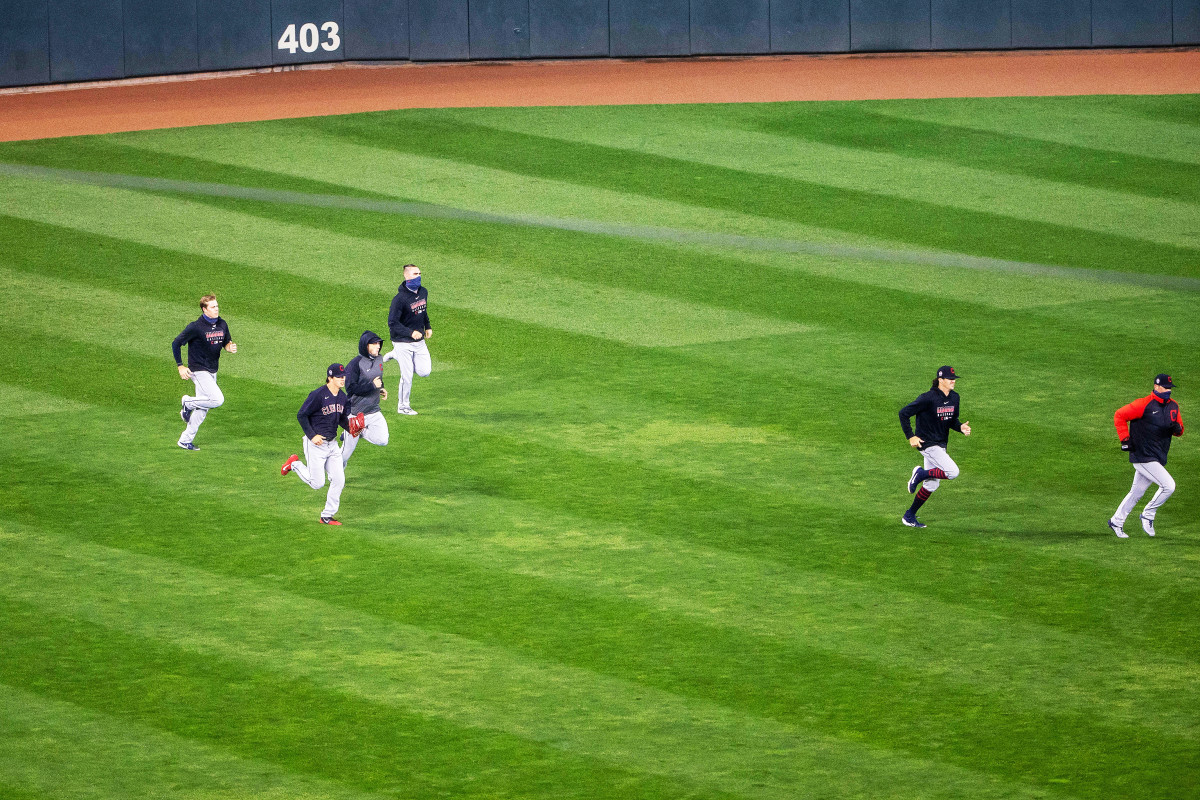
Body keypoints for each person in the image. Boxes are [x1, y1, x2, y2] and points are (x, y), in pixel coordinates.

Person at [281, 364, 363, 526]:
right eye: (339, 377)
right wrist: (312, 436)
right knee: (317, 484)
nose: (342, 379)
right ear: (330, 378)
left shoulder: (343, 397)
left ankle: (327, 516)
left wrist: (352, 429)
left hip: (332, 445)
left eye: (343, 376)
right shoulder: (318, 395)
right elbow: (302, 415)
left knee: (339, 480)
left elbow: (341, 418)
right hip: (315, 445)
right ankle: (294, 464)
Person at [1108, 374, 1184, 538]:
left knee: (1136, 492)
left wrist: (1178, 430)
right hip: (1143, 455)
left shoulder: (1173, 406)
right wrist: (1125, 439)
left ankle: (1116, 521)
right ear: (1156, 387)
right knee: (1169, 486)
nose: (1168, 391)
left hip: (1158, 455)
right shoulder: (1143, 404)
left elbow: (1179, 428)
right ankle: (1148, 514)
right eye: (1165, 388)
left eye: (1170, 388)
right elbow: (1119, 415)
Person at [899, 366, 972, 528]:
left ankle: (909, 516)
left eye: (954, 378)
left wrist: (960, 427)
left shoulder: (955, 398)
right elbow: (903, 413)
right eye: (949, 379)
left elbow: (951, 420)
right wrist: (911, 436)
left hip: (941, 443)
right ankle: (920, 474)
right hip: (927, 444)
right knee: (952, 472)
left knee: (931, 485)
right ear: (940, 380)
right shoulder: (928, 398)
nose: (953, 381)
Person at [172, 294, 236, 451]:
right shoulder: (196, 327)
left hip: (213, 369)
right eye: (213, 307)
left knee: (202, 410)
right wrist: (180, 366)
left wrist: (229, 347)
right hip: (198, 369)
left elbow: (226, 342)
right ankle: (187, 402)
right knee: (217, 399)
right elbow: (176, 343)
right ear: (204, 309)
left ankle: (185, 440)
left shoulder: (222, 324)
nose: (216, 309)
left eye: (217, 306)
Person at [383, 264, 432, 415]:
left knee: (425, 371)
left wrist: (427, 326)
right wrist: (410, 333)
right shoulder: (399, 299)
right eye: (415, 274)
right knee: (407, 375)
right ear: (406, 276)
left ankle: (395, 355)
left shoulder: (423, 292)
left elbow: (423, 311)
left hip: (419, 341)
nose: (419, 276)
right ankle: (403, 406)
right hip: (402, 341)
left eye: (420, 273)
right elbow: (392, 323)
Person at [341, 331, 389, 465]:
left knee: (383, 440)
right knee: (344, 456)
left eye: (379, 343)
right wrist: (372, 386)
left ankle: (361, 431)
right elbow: (350, 388)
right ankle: (333, 476)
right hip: (355, 414)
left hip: (373, 410)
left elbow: (377, 378)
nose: (378, 346)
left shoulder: (379, 359)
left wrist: (381, 388)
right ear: (365, 345)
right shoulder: (355, 364)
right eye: (374, 344)